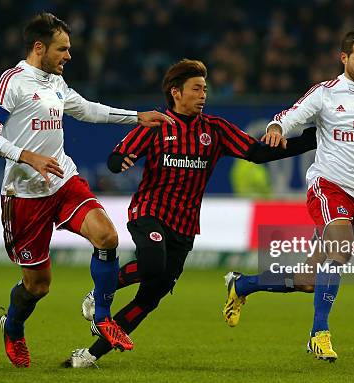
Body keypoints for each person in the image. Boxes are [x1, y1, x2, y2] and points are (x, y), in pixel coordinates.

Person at [63, 59, 318, 368]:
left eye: (205, 89)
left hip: (185, 225)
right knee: (153, 263)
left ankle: (90, 355)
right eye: (196, 89)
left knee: (150, 298)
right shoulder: (157, 125)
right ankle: (101, 291)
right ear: (176, 92)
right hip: (150, 212)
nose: (203, 95)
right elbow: (116, 158)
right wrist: (122, 161)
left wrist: (311, 140)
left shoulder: (215, 129)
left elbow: (257, 152)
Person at [0, 12, 173, 368]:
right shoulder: (11, 83)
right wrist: (28, 156)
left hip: (63, 179)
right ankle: (15, 327)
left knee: (107, 237)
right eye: (62, 49)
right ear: (40, 47)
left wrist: (137, 117)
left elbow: (87, 110)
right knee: (38, 287)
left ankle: (101, 313)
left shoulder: (56, 83)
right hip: (24, 195)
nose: (68, 56)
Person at [222, 28, 354, 362]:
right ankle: (318, 334)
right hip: (328, 185)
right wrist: (276, 129)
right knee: (339, 250)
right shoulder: (325, 94)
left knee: (308, 279)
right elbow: (290, 117)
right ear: (344, 57)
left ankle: (242, 285)